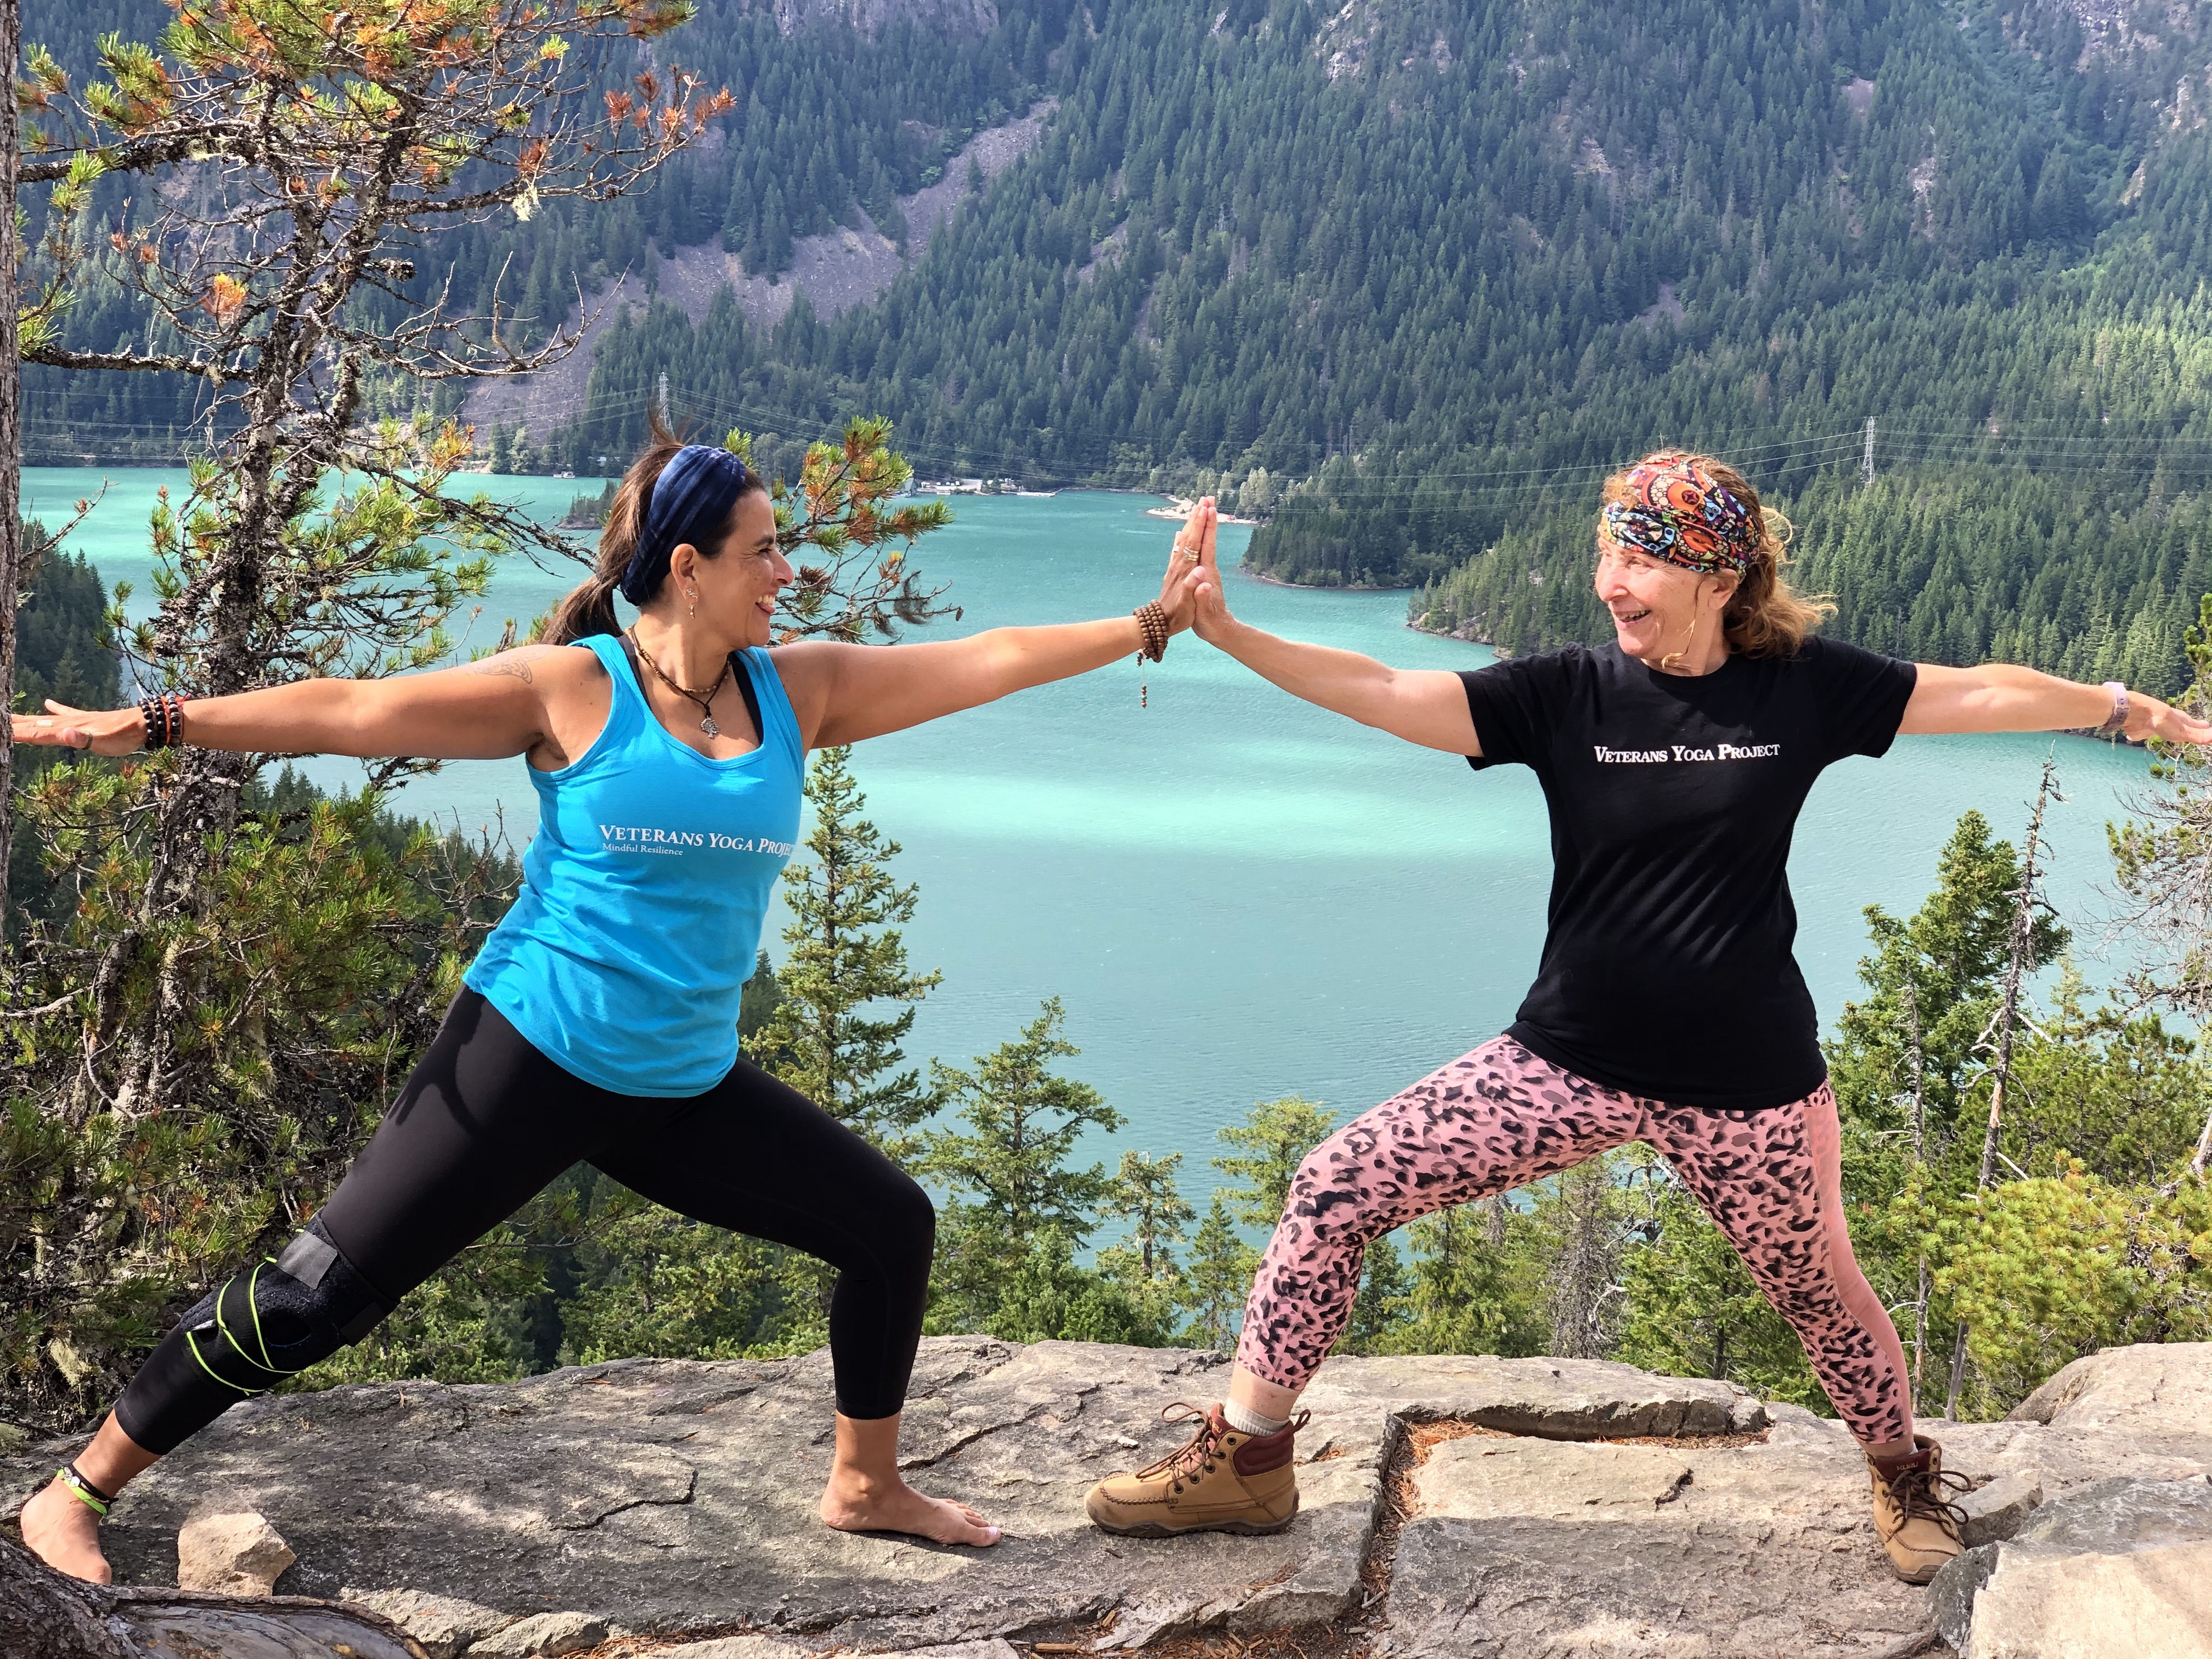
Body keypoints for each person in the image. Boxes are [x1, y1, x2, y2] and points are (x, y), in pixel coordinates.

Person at [15, 427, 1205, 1583]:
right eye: (765, 550)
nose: (788, 573)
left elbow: (993, 657)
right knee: (319, 1294)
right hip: (527, 1056)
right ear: (688, 567)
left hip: (681, 1084)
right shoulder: (570, 691)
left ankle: (865, 1485)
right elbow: (355, 710)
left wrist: (1151, 623)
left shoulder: (802, 691)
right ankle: (74, 1492)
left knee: (889, 1225)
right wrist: (163, 722)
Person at [1082, 454, 2212, 1583]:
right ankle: (1248, 1458)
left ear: (1720, 579)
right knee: (1335, 1185)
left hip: (1749, 1085)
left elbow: (1977, 692)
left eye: (1641, 559)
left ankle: (1901, 1473)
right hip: (1565, 1063)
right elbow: (1386, 691)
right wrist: (1230, 633)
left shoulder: (1801, 687)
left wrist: (2126, 709)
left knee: (1823, 1290)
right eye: (1606, 555)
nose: (1612, 583)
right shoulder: (1568, 692)